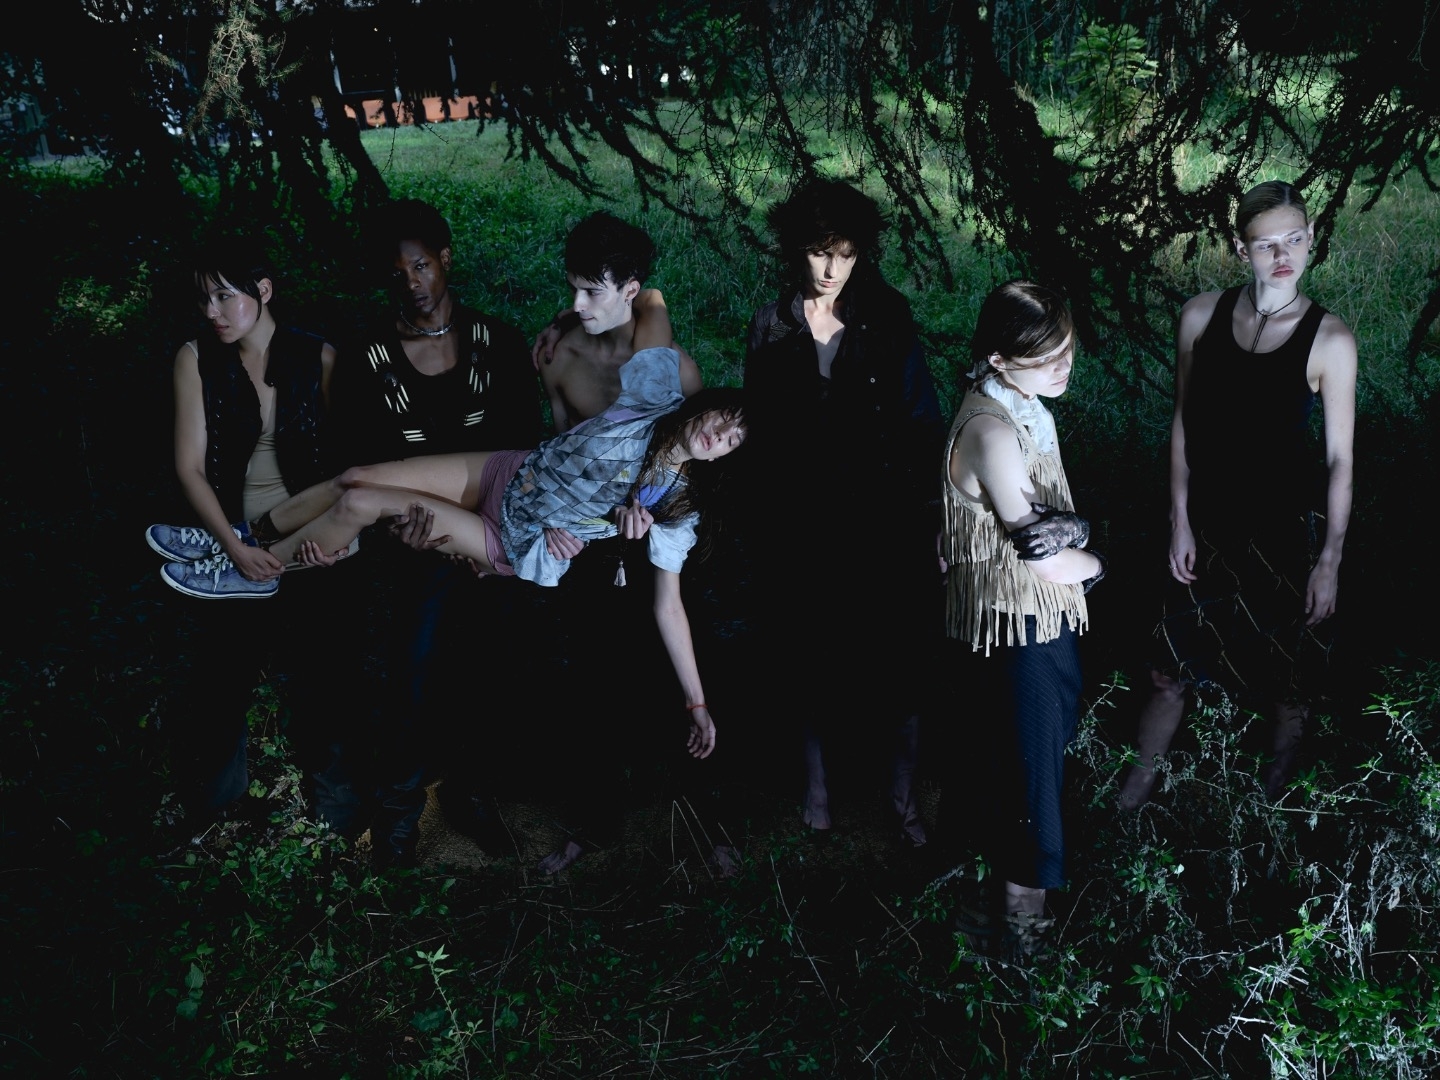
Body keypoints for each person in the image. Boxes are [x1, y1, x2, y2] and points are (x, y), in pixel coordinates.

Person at [146, 334, 745, 763]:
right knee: (354, 476)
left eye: (731, 441)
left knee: (361, 504)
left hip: (511, 539)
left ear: (725, 458)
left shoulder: (674, 507)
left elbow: (668, 606)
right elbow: (645, 311)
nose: (717, 435)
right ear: (708, 403)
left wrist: (696, 703)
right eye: (724, 418)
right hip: (505, 471)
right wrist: (577, 317)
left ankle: (254, 571)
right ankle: (242, 538)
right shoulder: (655, 400)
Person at [1118, 180, 1357, 808]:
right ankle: (1128, 804)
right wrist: (1179, 518)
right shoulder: (1201, 316)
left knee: (1287, 686)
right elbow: (1182, 422)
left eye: (1295, 240)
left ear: (1311, 238)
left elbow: (1339, 459)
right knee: (1166, 673)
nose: (1283, 256)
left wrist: (1330, 557)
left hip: (1284, 532)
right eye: (1266, 244)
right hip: (1207, 523)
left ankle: (1267, 815)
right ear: (1239, 247)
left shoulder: (1330, 340)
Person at [323, 198, 543, 865]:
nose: (411, 281)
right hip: (413, 545)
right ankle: (398, 813)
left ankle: (469, 792)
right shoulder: (367, 356)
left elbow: (523, 451)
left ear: (445, 260)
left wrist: (491, 537)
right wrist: (402, 531)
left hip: (494, 539)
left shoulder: (497, 341)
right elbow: (357, 462)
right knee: (412, 674)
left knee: (493, 669)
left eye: (421, 266)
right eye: (398, 272)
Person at [743, 178, 944, 845]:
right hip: (803, 519)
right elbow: (761, 435)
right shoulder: (770, 324)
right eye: (819, 252)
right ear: (794, 248)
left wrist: (932, 516)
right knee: (808, 658)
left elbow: (921, 420)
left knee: (901, 663)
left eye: (846, 255)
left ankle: (903, 799)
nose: (831, 269)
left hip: (884, 514)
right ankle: (818, 790)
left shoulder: (888, 316)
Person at [941, 280, 1104, 956]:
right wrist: (1099, 562)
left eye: (1067, 350)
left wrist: (1075, 531)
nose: (1064, 367)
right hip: (1018, 631)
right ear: (999, 360)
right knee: (1031, 793)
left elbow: (1049, 528)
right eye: (1047, 357)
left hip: (1034, 623)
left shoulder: (1022, 404)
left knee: (1021, 778)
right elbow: (1044, 554)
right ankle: (1027, 954)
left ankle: (991, 941)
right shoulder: (992, 430)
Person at [147, 237, 335, 821]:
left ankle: (338, 813)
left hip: (307, 538)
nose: (213, 312)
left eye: (225, 296)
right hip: (228, 543)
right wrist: (234, 549)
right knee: (221, 679)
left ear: (264, 290)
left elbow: (346, 465)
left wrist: (334, 542)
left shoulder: (319, 357)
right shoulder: (195, 358)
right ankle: (216, 812)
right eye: (204, 299)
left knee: (323, 676)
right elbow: (188, 466)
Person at [532, 211, 701, 432]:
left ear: (630, 291)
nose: (577, 305)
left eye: (593, 292)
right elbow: (559, 443)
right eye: (573, 289)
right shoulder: (558, 358)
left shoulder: (680, 373)